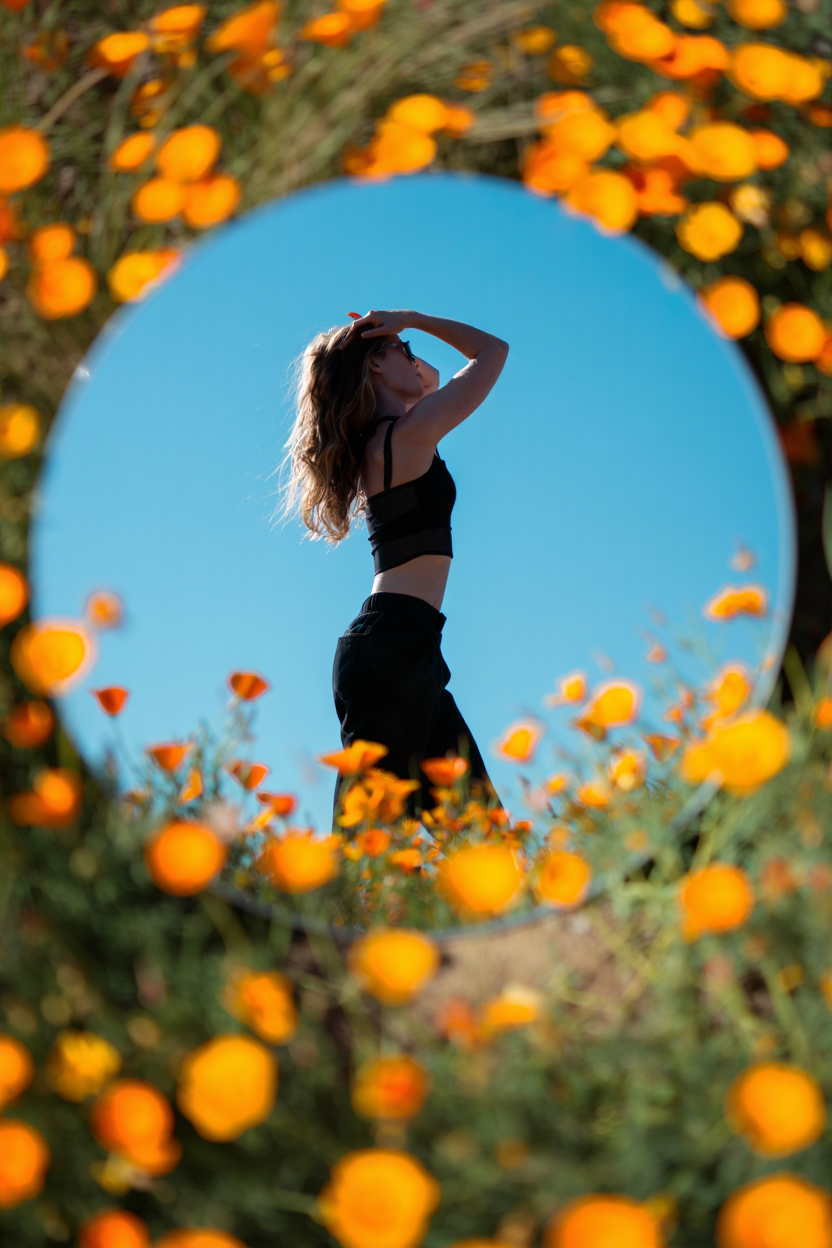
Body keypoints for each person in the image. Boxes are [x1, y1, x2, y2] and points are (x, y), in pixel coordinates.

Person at [281, 308, 509, 815]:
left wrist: (391, 343)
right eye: (401, 350)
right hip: (391, 647)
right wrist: (408, 318)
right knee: (371, 842)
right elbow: (492, 352)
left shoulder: (396, 434)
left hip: (412, 647)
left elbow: (425, 379)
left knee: (484, 836)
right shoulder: (401, 439)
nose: (417, 360)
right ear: (377, 367)